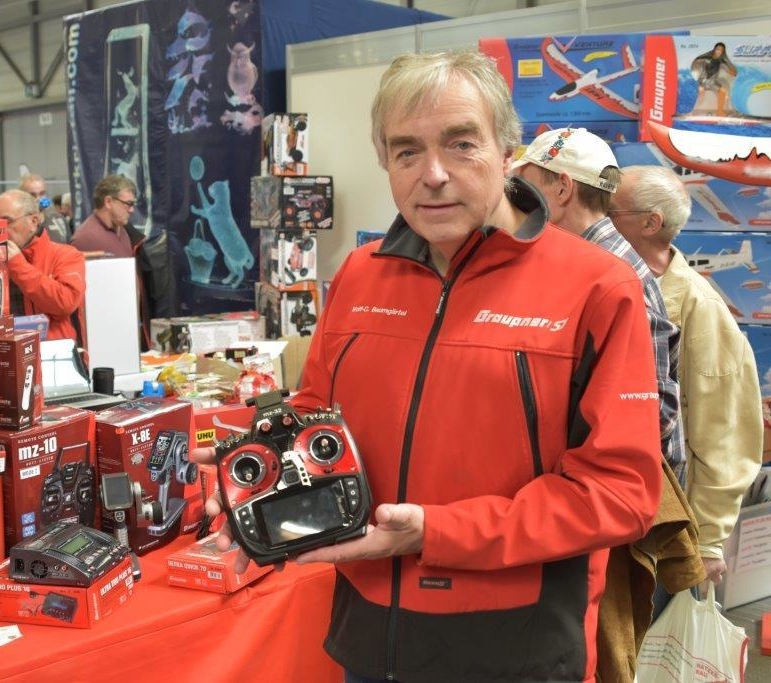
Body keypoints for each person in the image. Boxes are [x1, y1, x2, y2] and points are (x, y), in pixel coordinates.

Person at [193, 51, 663, 682]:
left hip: (516, 651)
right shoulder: (360, 275)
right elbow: (316, 417)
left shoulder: (597, 287)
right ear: (386, 162)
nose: (433, 174)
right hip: (367, 638)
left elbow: (620, 494)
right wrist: (259, 469)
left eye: (461, 144)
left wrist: (436, 533)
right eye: (407, 151)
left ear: (507, 153)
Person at [610, 164, 763, 584]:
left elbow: (724, 428)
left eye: (610, 210)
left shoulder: (697, 305)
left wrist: (708, 539)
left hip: (668, 529)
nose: (597, 217)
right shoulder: (616, 284)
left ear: (650, 223)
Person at [511, 127, 687, 484]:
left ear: (563, 189)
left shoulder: (610, 276)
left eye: (525, 188)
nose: (515, 204)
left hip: (611, 496)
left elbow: (655, 409)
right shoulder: (588, 262)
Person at [0, 189, 86, 342]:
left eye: (7, 222)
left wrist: (18, 265)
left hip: (51, 351)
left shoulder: (66, 255)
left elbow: (65, 303)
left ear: (33, 222)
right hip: (3, 348)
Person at [70, 174, 143, 258]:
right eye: (128, 204)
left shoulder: (122, 230)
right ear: (108, 202)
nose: (132, 210)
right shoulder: (84, 239)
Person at [19, 172, 70, 243]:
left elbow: (69, 245)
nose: (38, 199)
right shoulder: (17, 223)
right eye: (32, 195)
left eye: (42, 194)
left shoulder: (58, 219)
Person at [690, 42, 737, 117]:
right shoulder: (706, 59)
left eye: (721, 50)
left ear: (723, 52)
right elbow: (697, 66)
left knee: (723, 91)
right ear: (714, 49)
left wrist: (734, 72)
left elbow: (730, 72)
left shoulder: (721, 61)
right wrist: (700, 84)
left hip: (712, 82)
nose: (719, 51)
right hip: (704, 81)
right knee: (701, 95)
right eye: (718, 49)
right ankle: (691, 111)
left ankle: (719, 111)